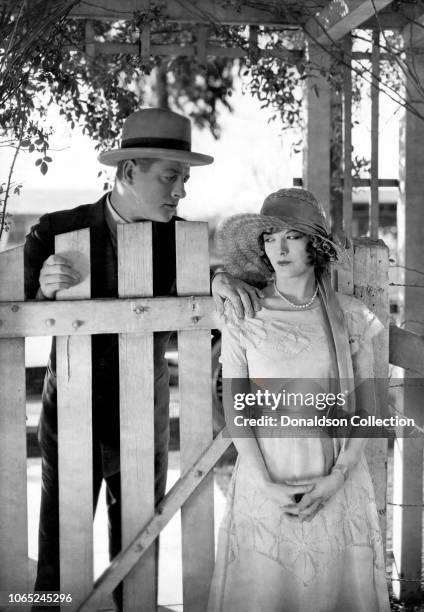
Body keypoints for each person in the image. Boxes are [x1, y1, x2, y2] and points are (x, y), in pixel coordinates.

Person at [24, 107, 259, 609]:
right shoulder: (54, 232)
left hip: (142, 414)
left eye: (185, 179)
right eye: (170, 176)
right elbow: (11, 321)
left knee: (136, 543)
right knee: (58, 548)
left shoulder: (184, 241)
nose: (181, 191)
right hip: (69, 413)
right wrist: (42, 298)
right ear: (130, 172)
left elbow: (197, 307)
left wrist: (213, 281)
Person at [207, 188, 391, 612]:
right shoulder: (244, 314)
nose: (279, 248)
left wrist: (339, 477)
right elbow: (238, 410)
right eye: (270, 237)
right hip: (267, 474)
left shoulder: (350, 315)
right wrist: (264, 483)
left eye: (291, 236)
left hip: (335, 474)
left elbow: (367, 408)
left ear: (317, 246)